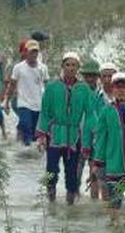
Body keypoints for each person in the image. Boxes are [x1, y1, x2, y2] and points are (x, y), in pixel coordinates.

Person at [36, 52, 94, 204]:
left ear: (78, 68)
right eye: (67, 65)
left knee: (72, 174)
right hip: (55, 134)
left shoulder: (84, 89)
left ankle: (70, 206)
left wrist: (88, 141)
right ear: (62, 66)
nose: (70, 68)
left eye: (73, 65)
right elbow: (45, 112)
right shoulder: (52, 87)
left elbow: (89, 116)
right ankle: (51, 202)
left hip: (74, 136)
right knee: (51, 171)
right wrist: (41, 136)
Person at [92, 72, 125, 222]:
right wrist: (97, 162)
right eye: (117, 87)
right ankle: (114, 229)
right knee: (114, 202)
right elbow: (101, 139)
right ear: (113, 89)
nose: (121, 90)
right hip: (114, 165)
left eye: (124, 87)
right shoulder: (106, 111)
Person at [6, 39, 49, 146]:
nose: (34, 54)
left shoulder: (43, 68)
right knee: (26, 125)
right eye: (31, 51)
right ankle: (25, 149)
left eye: (36, 52)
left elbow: (47, 87)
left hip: (38, 105)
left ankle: (30, 157)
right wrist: (6, 101)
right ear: (26, 52)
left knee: (36, 133)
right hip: (23, 104)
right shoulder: (18, 68)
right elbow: (12, 85)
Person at [79, 59, 104, 200]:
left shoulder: (100, 96)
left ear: (97, 77)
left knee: (94, 173)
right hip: (76, 138)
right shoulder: (76, 92)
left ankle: (94, 204)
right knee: (75, 174)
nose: (89, 79)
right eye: (87, 76)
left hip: (94, 139)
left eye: (92, 76)